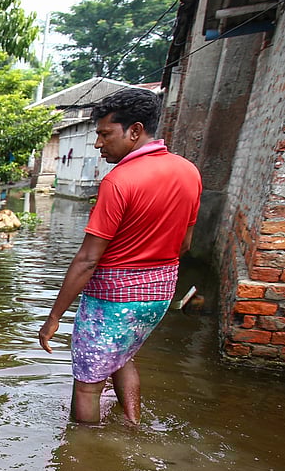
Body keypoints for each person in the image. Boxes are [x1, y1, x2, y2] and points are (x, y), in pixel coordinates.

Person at [37, 87, 201, 425]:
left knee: (87, 386)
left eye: (105, 134)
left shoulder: (119, 181)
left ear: (135, 131)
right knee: (123, 358)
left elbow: (87, 260)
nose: (98, 144)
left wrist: (54, 317)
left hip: (113, 297)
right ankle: (132, 426)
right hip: (158, 293)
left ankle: (85, 455)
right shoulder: (189, 172)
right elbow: (185, 245)